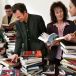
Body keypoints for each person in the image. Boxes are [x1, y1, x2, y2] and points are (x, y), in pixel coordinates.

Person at [10, 3, 47, 69]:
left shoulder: (38, 19)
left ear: (25, 12)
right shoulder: (18, 23)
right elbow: (19, 38)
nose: (17, 19)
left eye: (19, 16)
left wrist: (42, 48)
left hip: (39, 52)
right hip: (27, 53)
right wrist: (16, 53)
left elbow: (44, 34)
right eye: (16, 17)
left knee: (39, 71)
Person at [47, 1, 76, 76]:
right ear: (54, 14)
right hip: (54, 57)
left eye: (61, 11)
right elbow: (47, 44)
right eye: (57, 12)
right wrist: (51, 44)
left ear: (64, 11)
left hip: (68, 57)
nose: (60, 14)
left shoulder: (72, 24)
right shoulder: (50, 26)